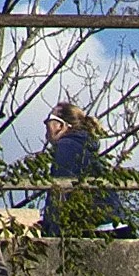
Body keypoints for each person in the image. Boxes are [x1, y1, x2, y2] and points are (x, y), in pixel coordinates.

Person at [40, 97, 104, 235]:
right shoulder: (84, 147)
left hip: (96, 228)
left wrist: (51, 231)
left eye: (49, 120)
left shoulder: (66, 146)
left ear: (62, 126)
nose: (45, 124)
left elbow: (60, 190)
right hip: (109, 222)